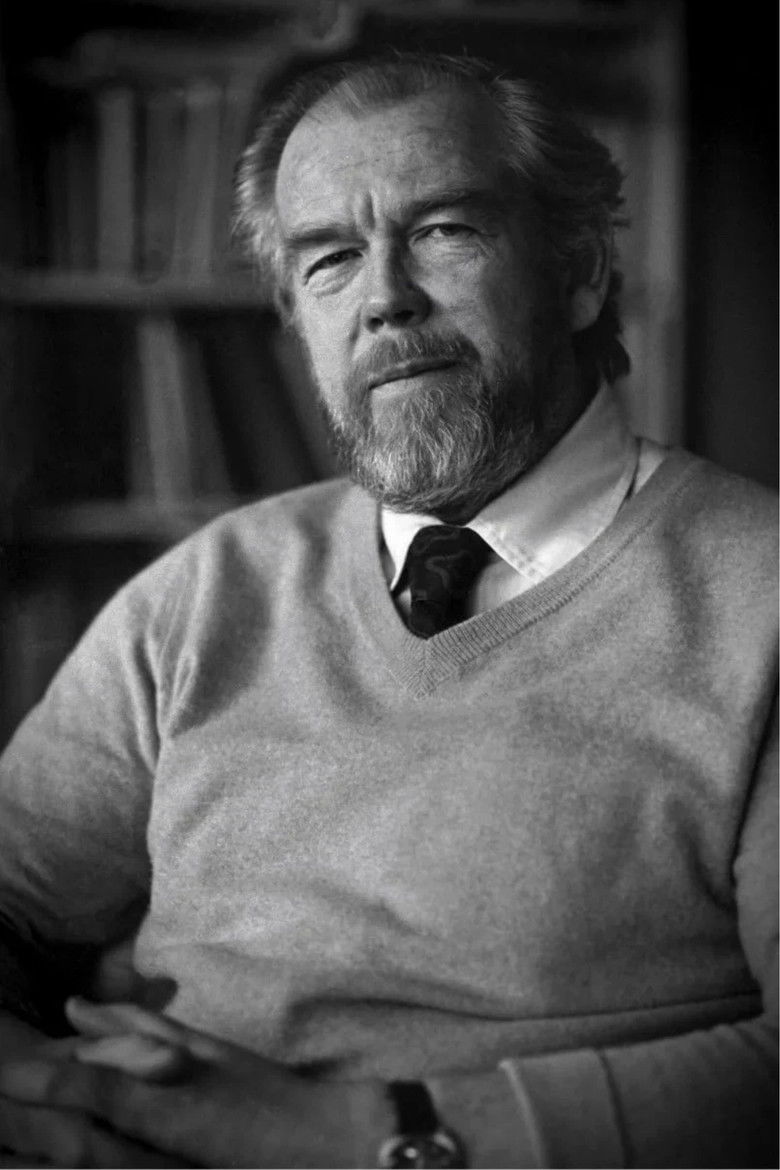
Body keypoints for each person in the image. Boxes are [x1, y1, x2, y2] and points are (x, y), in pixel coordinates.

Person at [0, 50, 776, 1169]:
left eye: (445, 231)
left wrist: (372, 1137)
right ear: (297, 319)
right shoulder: (202, 592)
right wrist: (38, 1096)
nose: (384, 298)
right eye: (329, 260)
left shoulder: (762, 599)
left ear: (579, 273)